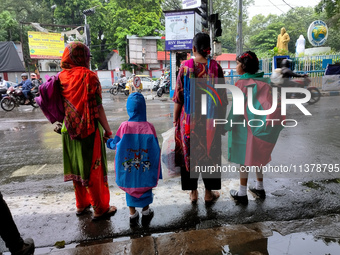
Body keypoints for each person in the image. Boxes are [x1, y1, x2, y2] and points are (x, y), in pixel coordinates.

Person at [59, 41, 117, 221]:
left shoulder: (61, 77)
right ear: (82, 57)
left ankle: (81, 204)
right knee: (93, 170)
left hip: (67, 129)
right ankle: (100, 208)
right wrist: (108, 131)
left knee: (77, 167)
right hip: (88, 129)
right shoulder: (89, 76)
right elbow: (98, 108)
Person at [173, 32, 228, 204]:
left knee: (189, 154)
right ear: (207, 48)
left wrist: (176, 120)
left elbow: (178, 98)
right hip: (210, 121)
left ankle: (193, 193)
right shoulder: (215, 68)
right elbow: (223, 99)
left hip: (189, 121)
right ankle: (208, 193)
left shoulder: (185, 66)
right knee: (209, 154)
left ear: (194, 48)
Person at [225, 51, 284, 205]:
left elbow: (236, 111)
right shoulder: (264, 82)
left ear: (243, 66)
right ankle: (259, 187)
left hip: (247, 129)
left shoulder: (242, 84)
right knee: (258, 158)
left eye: (238, 63)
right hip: (263, 128)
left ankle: (242, 193)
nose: (236, 66)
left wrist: (227, 125)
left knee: (244, 161)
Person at [106, 93, 161, 227]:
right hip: (144, 168)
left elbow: (116, 143)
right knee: (145, 185)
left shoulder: (124, 126)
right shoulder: (149, 127)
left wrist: (108, 142)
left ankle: (132, 215)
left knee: (130, 188)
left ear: (128, 108)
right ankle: (146, 212)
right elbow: (155, 149)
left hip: (129, 169)